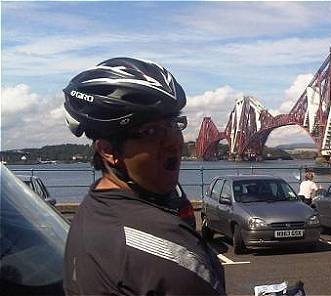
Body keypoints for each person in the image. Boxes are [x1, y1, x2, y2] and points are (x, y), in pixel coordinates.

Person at [62, 57, 226, 295]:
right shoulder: (167, 253)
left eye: (173, 124)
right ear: (108, 151)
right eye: (150, 131)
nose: (173, 143)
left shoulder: (93, 210)